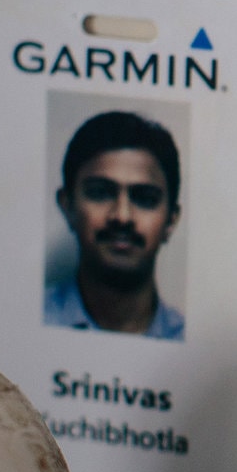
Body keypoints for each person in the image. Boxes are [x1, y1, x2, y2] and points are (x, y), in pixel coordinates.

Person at [45, 110, 186, 340]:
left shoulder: (196, 347)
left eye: (145, 198)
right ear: (67, 205)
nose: (122, 216)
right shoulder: (25, 322)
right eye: (100, 193)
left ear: (171, 219)